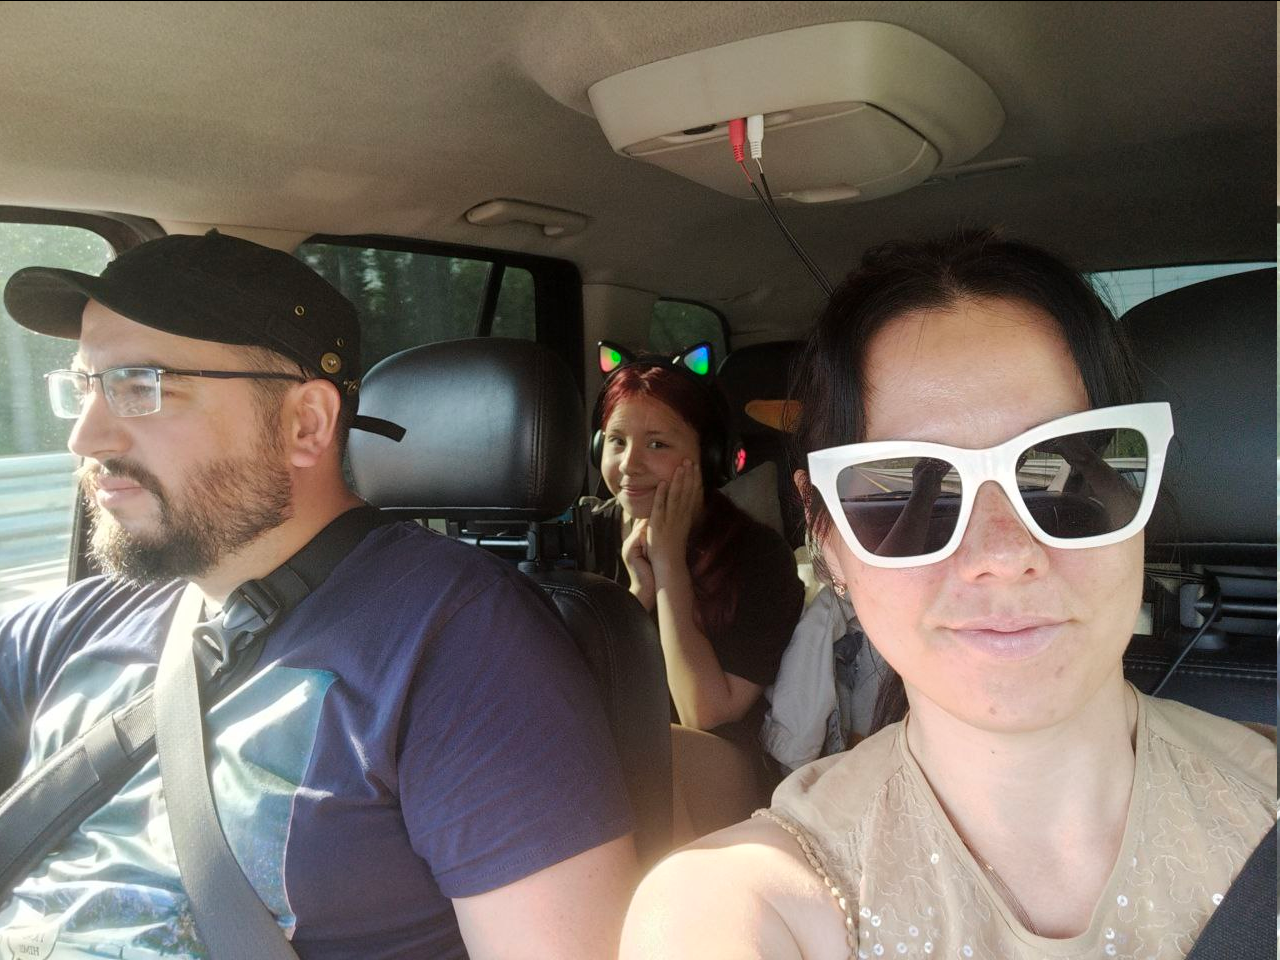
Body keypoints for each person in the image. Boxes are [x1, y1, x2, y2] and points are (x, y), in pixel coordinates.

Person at [620, 230, 1276, 959]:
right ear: (826, 537)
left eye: (1061, 472)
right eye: (908, 489)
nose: (1003, 555)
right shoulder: (743, 906)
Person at [0, 231, 637, 960]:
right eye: (84, 385)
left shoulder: (460, 643)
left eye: (140, 387)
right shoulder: (76, 623)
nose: (85, 438)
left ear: (304, 423)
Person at [587, 346, 804, 752]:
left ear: (709, 456)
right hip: (608, 751)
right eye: (617, 441)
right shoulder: (585, 533)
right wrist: (637, 597)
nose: (629, 464)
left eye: (657, 445)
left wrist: (669, 567)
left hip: (711, 761)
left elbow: (705, 714)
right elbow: (573, 695)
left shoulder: (760, 558)